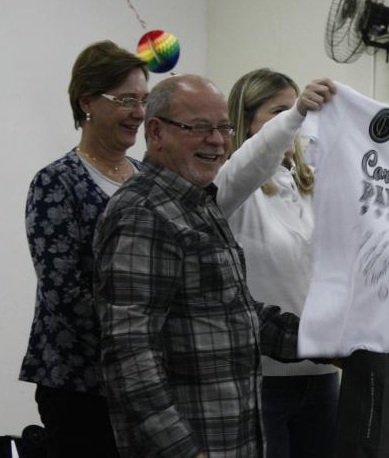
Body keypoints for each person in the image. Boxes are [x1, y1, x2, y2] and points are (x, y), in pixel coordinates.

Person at [92, 74, 333, 457]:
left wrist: (328, 342)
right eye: (200, 128)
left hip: (232, 434)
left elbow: (237, 313)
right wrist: (184, 451)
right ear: (156, 132)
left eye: (223, 128)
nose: (218, 141)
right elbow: (130, 355)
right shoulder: (143, 212)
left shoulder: (198, 205)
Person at [19, 40, 148, 457]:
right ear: (87, 102)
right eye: (126, 100)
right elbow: (64, 293)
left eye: (143, 100)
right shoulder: (56, 182)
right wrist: (139, 339)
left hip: (146, 382)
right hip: (81, 384)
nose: (139, 113)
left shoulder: (148, 179)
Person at [217, 68, 338, 458]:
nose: (294, 122)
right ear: (247, 122)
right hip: (262, 378)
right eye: (278, 112)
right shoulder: (229, 186)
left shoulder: (309, 187)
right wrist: (297, 113)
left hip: (323, 375)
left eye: (296, 110)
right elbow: (249, 165)